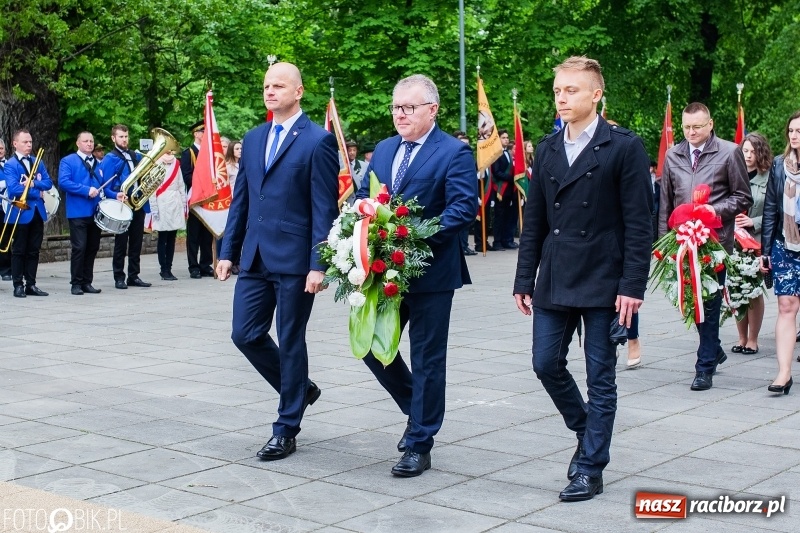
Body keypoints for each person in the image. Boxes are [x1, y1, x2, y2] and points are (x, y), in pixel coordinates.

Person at [513, 56, 653, 501]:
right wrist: (523, 279)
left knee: (601, 377)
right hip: (555, 275)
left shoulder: (624, 147)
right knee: (544, 363)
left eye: (571, 90)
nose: (561, 98)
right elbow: (535, 221)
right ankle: (586, 427)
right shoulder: (548, 148)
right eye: (558, 90)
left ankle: (590, 467)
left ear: (596, 94)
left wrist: (632, 286)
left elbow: (640, 224)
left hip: (604, 278)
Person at [216, 62, 339, 461]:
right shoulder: (253, 139)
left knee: (290, 340)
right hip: (254, 256)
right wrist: (227, 251)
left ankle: (286, 428)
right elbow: (242, 199)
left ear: (298, 92)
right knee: (245, 334)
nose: (270, 91)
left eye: (279, 86)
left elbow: (324, 208)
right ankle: (300, 388)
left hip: (295, 261)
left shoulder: (318, 141)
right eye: (267, 85)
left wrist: (319, 263)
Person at [356, 74, 477, 477]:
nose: (400, 115)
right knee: (371, 347)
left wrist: (413, 237)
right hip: (383, 270)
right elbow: (365, 196)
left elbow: (463, 209)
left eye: (409, 107)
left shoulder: (454, 152)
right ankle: (417, 408)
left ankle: (420, 443)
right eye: (396, 107)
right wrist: (362, 220)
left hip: (431, 273)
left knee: (427, 358)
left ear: (432, 110)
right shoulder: (385, 149)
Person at [660, 102, 752, 391]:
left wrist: (715, 210)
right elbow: (665, 202)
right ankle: (714, 348)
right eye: (687, 127)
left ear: (710, 124)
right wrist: (662, 244)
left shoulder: (729, 152)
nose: (691, 132)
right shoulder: (673, 155)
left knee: (709, 304)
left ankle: (704, 367)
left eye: (697, 127)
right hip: (681, 243)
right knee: (690, 302)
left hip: (714, 243)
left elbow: (743, 196)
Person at [760, 110, 800, 394]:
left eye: (799, 131)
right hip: (785, 243)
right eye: (791, 131)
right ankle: (784, 373)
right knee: (786, 306)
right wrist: (765, 251)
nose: (794, 136)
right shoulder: (778, 165)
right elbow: (771, 209)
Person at [98, 124, 152, 290]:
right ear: (113, 138)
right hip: (122, 204)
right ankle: (119, 277)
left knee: (136, 242)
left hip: (138, 203)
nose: (124, 139)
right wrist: (116, 195)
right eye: (121, 137)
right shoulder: (110, 158)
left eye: (126, 136)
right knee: (121, 242)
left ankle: (134, 276)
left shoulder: (135, 155)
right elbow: (105, 186)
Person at [732, 133, 771, 354]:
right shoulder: (734, 174)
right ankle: (741, 338)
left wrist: (753, 222)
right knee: (736, 287)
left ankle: (753, 340)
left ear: (761, 153)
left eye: (753, 151)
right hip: (734, 240)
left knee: (754, 289)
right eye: (745, 151)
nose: (748, 155)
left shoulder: (769, 178)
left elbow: (776, 211)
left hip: (756, 241)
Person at [3, 129, 54, 297]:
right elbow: (13, 189)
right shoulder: (11, 164)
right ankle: (18, 285)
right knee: (19, 250)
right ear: (15, 143)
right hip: (20, 212)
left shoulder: (37, 161)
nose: (29, 145)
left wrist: (33, 184)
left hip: (37, 212)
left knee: (34, 250)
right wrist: (37, 192)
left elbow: (48, 183)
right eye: (25, 142)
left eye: (30, 142)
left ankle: (31, 284)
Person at [58, 131, 103, 295]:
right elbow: (63, 182)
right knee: (79, 248)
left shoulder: (98, 163)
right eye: (85, 141)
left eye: (91, 141)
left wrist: (115, 195)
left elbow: (102, 185)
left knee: (92, 248)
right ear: (78, 143)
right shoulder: (68, 161)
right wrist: (85, 190)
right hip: (77, 212)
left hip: (95, 212)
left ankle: (87, 282)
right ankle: (76, 283)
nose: (89, 144)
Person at [181, 121, 214, 279]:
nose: (205, 133)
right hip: (195, 197)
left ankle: (205, 264)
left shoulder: (210, 153)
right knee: (193, 235)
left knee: (207, 234)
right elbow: (186, 176)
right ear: (195, 134)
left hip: (208, 198)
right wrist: (202, 182)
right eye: (202, 131)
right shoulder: (189, 153)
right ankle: (193, 266)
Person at [150, 151, 186, 281]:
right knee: (163, 237)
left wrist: (183, 203)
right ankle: (163, 269)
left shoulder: (176, 163)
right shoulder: (156, 164)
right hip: (161, 201)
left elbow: (181, 185)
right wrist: (154, 207)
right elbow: (152, 188)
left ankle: (169, 268)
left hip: (175, 202)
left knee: (172, 238)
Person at [490, 128, 519, 250]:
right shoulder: (496, 153)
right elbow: (496, 172)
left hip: (509, 191)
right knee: (499, 217)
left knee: (508, 216)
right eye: (503, 138)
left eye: (507, 138)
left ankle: (506, 240)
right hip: (500, 190)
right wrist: (512, 178)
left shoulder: (507, 153)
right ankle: (497, 242)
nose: (506, 140)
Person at [453, 130, 477, 256]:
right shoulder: (452, 158)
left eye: (467, 144)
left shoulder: (469, 158)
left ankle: (464, 245)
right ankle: (461, 247)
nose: (466, 146)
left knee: (467, 223)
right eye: (463, 143)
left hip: (468, 194)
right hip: (455, 196)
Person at [223, 140, 242, 275]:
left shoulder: (243, 164)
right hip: (231, 200)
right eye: (237, 149)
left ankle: (238, 261)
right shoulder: (227, 167)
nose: (240, 151)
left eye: (241, 149)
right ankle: (230, 260)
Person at [0, 138, 11, 281]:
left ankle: (10, 268)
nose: (0, 151)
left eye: (1, 148)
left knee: (8, 237)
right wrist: (6, 183)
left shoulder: (10, 164)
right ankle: (4, 269)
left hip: (10, 206)